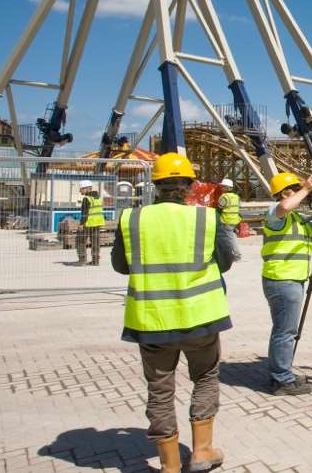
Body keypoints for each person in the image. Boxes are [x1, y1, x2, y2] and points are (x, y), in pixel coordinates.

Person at [111, 153, 237, 473]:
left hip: (152, 320)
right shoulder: (206, 218)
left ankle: (168, 465)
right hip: (200, 317)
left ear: (155, 186)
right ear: (189, 187)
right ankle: (202, 451)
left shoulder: (132, 219)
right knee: (205, 377)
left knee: (160, 389)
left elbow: (120, 265)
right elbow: (224, 262)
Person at [261, 171, 312, 396]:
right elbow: (284, 208)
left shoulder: (296, 218)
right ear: (285, 192)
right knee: (285, 331)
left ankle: (283, 373)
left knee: (285, 330)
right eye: (296, 189)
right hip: (281, 279)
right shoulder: (275, 212)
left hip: (291, 279)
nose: (300, 193)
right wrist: (306, 188)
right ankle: (281, 379)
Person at [74, 180, 104, 266]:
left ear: (87, 189)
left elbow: (85, 213)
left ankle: (82, 260)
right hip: (97, 223)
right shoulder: (98, 197)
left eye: (81, 189)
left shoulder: (86, 199)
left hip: (88, 223)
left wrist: (81, 224)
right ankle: (95, 261)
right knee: (95, 242)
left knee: (80, 241)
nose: (80, 191)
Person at [216, 178, 242, 261]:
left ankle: (236, 255)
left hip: (226, 221)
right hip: (235, 220)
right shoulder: (236, 197)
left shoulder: (224, 197)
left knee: (229, 239)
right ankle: (234, 254)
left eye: (223, 186)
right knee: (232, 237)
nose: (221, 188)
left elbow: (219, 208)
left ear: (227, 188)